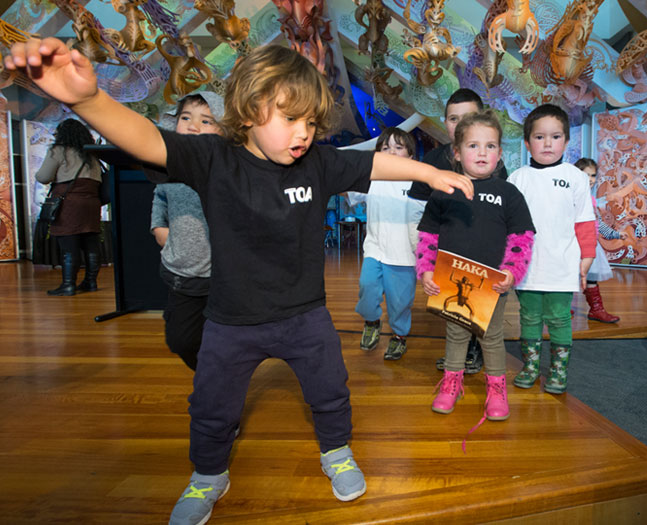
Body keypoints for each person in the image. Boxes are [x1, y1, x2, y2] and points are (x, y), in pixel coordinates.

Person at [5, 38, 474, 524]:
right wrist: (86, 100)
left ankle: (335, 451)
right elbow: (146, 138)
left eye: (311, 122)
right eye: (291, 119)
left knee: (330, 390)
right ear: (249, 111)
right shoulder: (214, 159)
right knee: (211, 404)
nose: (304, 133)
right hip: (230, 321)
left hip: (305, 315)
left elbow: (373, 164)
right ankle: (208, 475)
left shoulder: (317, 163)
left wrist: (427, 173)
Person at [416, 110, 535, 420]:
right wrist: (426, 269)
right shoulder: (444, 191)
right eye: (473, 146)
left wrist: (512, 271)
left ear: (500, 153)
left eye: (490, 146)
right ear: (457, 152)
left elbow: (522, 236)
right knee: (456, 334)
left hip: (492, 283)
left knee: (491, 337)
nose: (482, 152)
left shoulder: (509, 193)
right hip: (452, 280)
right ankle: (451, 384)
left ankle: (497, 390)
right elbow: (428, 235)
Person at [408, 88, 508, 375]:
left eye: (468, 117)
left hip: (483, 258)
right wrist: (425, 256)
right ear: (445, 122)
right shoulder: (433, 160)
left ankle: (475, 352)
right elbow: (419, 209)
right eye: (453, 118)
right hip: (447, 254)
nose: (460, 124)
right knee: (455, 313)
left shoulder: (495, 166)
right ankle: (458, 360)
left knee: (484, 316)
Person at [507, 104, 597, 394]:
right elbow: (507, 225)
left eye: (555, 137)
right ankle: (531, 366)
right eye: (539, 137)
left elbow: (585, 221)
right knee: (529, 316)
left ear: (567, 142)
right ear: (527, 142)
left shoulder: (576, 178)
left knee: (559, 317)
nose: (548, 143)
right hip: (527, 267)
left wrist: (586, 259)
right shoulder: (516, 179)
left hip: (562, 264)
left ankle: (558, 371)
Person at [150, 91, 224, 371]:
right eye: (186, 117)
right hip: (182, 270)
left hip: (222, 275)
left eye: (206, 121)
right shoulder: (167, 164)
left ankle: (220, 383)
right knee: (180, 340)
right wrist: (158, 225)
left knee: (223, 339)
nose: (193, 126)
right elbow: (160, 195)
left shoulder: (222, 165)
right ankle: (212, 373)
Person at [347, 127, 424, 360]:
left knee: (400, 303)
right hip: (375, 250)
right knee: (367, 289)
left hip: (405, 257)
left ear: (411, 155)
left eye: (398, 147)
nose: (391, 151)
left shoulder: (418, 183)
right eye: (385, 147)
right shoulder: (372, 179)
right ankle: (371, 322)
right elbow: (346, 192)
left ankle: (399, 336)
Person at [35, 118, 103, 296]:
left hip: (69, 203)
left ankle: (68, 284)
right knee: (90, 244)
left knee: (69, 246)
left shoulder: (59, 150)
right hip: (92, 203)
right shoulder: (92, 154)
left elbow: (43, 177)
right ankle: (90, 282)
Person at [573, 157, 621, 323]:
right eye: (585, 175)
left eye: (593, 176)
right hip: (572, 244)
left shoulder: (591, 200)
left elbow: (597, 223)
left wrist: (614, 234)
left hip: (589, 244)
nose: (590, 180)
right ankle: (563, 307)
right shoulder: (570, 198)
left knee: (591, 277)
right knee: (568, 277)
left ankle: (596, 309)